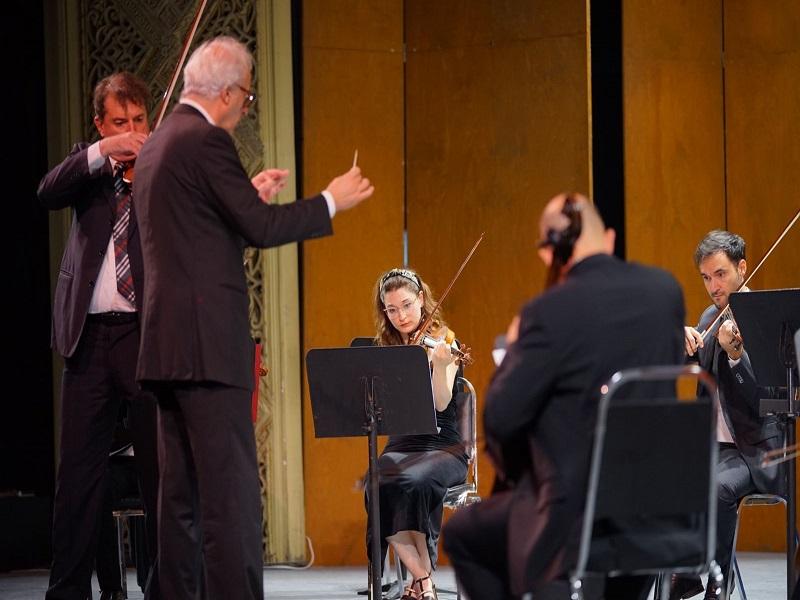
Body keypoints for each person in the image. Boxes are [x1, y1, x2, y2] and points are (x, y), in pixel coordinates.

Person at [132, 36, 374, 600]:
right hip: (208, 350)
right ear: (226, 92)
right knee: (230, 500)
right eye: (246, 96)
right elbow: (262, 231)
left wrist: (244, 196)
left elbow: (196, 237)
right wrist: (330, 200)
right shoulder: (206, 141)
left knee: (181, 502)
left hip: (168, 348)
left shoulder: (160, 142)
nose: (245, 108)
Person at [443, 193, 686, 600]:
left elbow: (501, 421)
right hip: (660, 513)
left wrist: (516, 347)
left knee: (465, 534)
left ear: (547, 253)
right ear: (609, 239)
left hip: (576, 518)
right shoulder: (666, 292)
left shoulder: (546, 312)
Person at [38, 72, 159, 600]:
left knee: (163, 472)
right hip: (88, 338)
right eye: (119, 124)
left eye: (138, 122)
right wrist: (102, 152)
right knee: (78, 479)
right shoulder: (86, 168)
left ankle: (165, 587)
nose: (131, 132)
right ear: (99, 125)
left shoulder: (160, 168)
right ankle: (67, 590)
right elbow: (46, 191)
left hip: (145, 336)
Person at [672, 230, 785, 600]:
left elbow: (769, 399)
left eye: (720, 274)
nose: (713, 287)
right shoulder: (709, 315)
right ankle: (686, 575)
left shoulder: (763, 319)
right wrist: (685, 342)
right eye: (706, 278)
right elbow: (692, 369)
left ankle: (718, 586)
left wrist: (737, 356)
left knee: (714, 487)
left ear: (742, 268)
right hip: (712, 448)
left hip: (755, 452)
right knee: (664, 475)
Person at [367, 268, 469, 600]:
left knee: (414, 481)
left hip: (443, 444)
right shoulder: (386, 346)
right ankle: (424, 579)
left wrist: (440, 365)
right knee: (378, 483)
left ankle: (421, 584)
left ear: (421, 300)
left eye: (407, 305)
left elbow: (441, 404)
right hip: (402, 442)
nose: (401, 316)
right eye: (392, 309)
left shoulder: (443, 339)